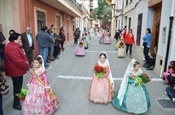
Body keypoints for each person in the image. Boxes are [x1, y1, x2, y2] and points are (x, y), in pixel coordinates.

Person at [4, 33, 30, 110]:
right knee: (17, 88)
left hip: (17, 70)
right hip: (15, 71)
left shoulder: (14, 46)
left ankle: (21, 99)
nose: (20, 40)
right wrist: (27, 65)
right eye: (19, 39)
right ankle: (16, 104)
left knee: (19, 87)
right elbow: (18, 61)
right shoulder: (12, 48)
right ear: (15, 40)